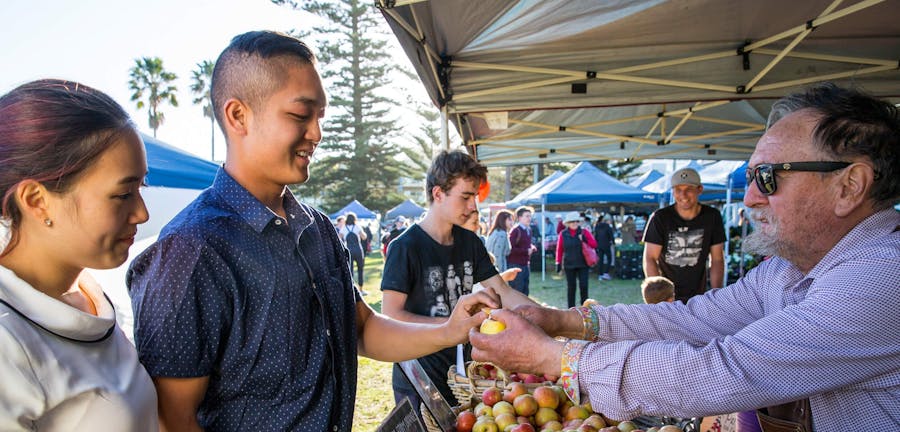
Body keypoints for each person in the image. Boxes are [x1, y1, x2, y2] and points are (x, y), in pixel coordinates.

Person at [469, 83, 900, 429]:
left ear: (849, 186)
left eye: (767, 177)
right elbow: (691, 319)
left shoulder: (883, 276)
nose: (750, 198)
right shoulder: (788, 270)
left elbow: (722, 371)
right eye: (751, 178)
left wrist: (553, 357)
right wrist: (566, 322)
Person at [128, 31, 499, 431]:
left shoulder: (317, 228)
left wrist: (450, 330)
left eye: (320, 116)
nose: (317, 133)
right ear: (238, 116)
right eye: (300, 115)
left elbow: (363, 329)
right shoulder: (191, 250)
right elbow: (171, 419)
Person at [0, 79, 157, 430]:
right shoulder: (8, 339)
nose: (142, 213)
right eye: (122, 194)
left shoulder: (88, 295)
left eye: (140, 188)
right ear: (36, 201)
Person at [381, 150, 535, 410]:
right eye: (465, 197)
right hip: (419, 378)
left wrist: (553, 318)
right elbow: (390, 315)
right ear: (438, 194)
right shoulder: (405, 247)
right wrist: (451, 326)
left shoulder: (471, 243)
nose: (473, 206)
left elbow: (503, 291)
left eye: (474, 197)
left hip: (464, 376)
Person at [642, 168, 726, 302]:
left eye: (689, 189)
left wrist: (717, 295)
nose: (683, 195)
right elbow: (650, 258)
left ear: (699, 189)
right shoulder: (661, 217)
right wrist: (659, 299)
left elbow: (717, 259)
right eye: (678, 190)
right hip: (667, 296)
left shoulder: (712, 216)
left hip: (698, 295)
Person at [555, 212, 597, 308]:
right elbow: (559, 249)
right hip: (569, 264)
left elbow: (594, 244)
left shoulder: (584, 232)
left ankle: (585, 308)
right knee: (571, 287)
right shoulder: (563, 234)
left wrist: (585, 239)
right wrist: (557, 262)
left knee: (584, 286)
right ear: (568, 223)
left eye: (576, 221)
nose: (574, 223)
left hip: (583, 264)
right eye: (572, 221)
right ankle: (571, 309)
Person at [507, 206, 537, 295]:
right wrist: (526, 251)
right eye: (527, 216)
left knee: (525, 291)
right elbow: (511, 249)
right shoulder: (516, 230)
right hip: (515, 264)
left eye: (530, 216)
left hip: (525, 264)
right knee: (518, 291)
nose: (529, 218)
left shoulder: (528, 230)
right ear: (520, 217)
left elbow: (525, 244)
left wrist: (532, 247)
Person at [339, 211, 367, 287]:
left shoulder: (344, 228)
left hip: (349, 250)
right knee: (360, 269)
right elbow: (364, 237)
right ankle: (361, 288)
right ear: (355, 219)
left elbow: (339, 239)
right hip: (358, 249)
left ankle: (352, 288)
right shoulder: (357, 227)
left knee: (350, 271)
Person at [593, 215, 615, 280]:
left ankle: (600, 274)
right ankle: (606, 273)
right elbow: (611, 236)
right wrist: (613, 243)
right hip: (606, 245)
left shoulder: (597, 226)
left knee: (600, 260)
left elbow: (595, 236)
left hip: (599, 245)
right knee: (609, 259)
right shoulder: (608, 227)